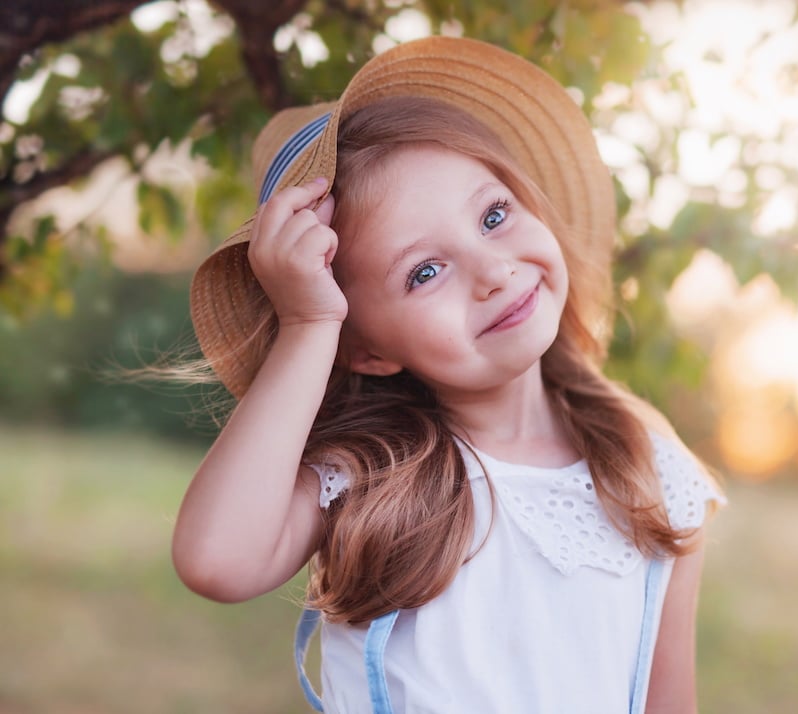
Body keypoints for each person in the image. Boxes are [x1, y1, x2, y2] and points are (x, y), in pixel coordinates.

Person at [173, 36, 724, 714]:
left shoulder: (650, 474)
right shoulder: (376, 476)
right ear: (367, 349)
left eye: (494, 216)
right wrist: (309, 326)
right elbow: (215, 560)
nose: (494, 272)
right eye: (424, 272)